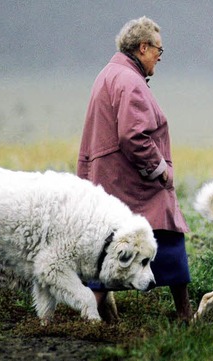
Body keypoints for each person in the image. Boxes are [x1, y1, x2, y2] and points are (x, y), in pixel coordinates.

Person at [77, 16, 191, 322]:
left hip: (108, 178)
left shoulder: (110, 73)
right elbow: (133, 136)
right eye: (158, 51)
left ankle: (93, 314)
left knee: (108, 248)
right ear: (143, 47)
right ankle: (184, 313)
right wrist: (160, 171)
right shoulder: (130, 82)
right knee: (168, 235)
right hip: (132, 183)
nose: (159, 57)